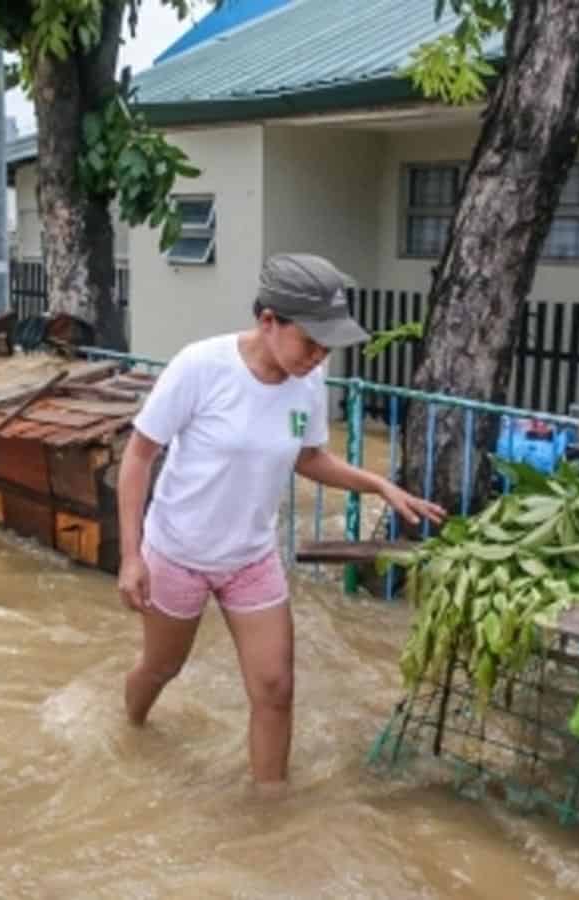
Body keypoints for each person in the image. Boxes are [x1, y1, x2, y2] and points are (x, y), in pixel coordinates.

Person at [117, 253, 446, 794]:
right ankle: (130, 727)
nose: (318, 357)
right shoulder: (200, 367)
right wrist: (132, 557)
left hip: (251, 557)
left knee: (275, 687)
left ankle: (270, 807)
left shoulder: (307, 382)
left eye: (327, 347)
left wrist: (379, 483)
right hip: (178, 552)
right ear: (269, 321)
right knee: (160, 669)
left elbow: (308, 457)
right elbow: (138, 456)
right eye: (310, 342)